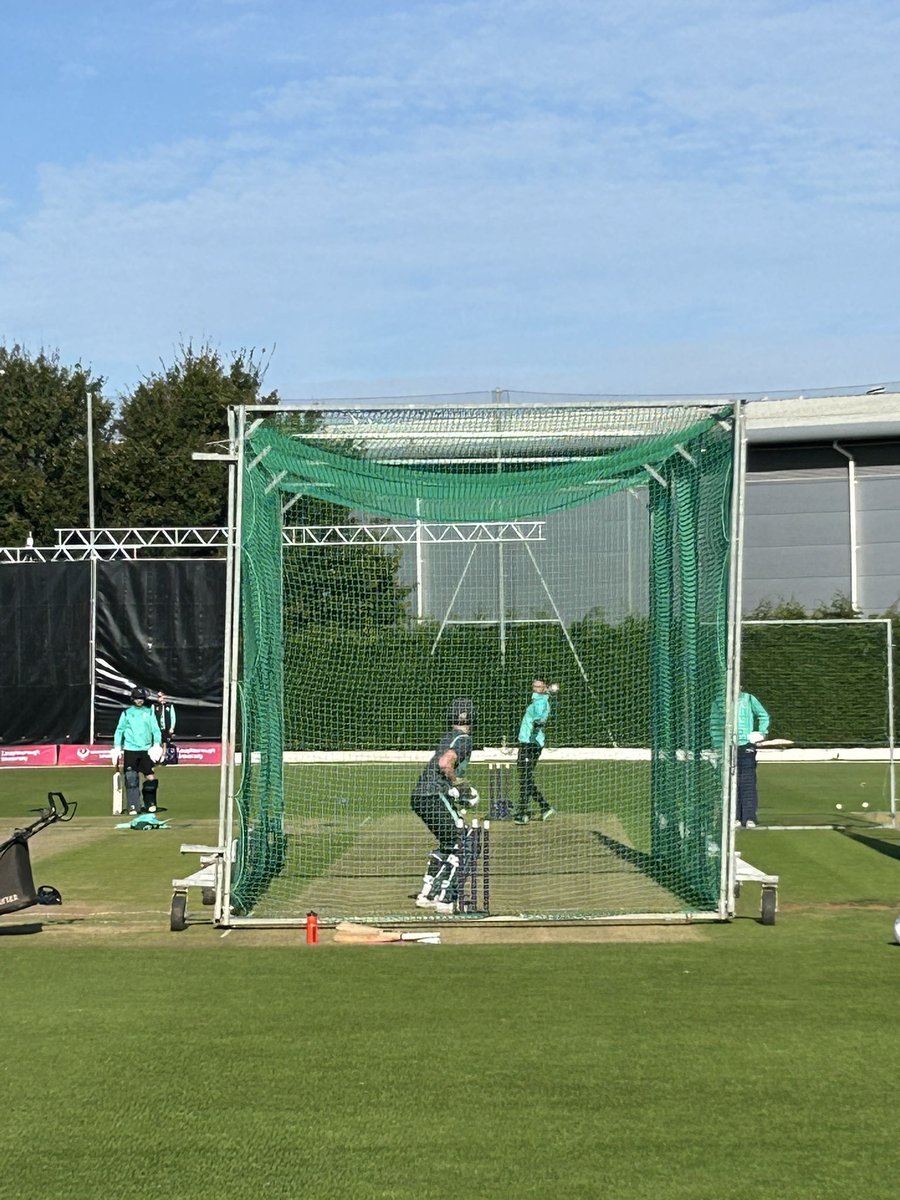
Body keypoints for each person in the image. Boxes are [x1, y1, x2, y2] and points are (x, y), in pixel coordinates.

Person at [411, 698, 480, 914]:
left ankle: (428, 894)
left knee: (450, 842)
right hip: (433, 795)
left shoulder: (449, 736)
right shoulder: (464, 739)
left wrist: (455, 792)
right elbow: (445, 763)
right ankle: (447, 898)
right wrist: (459, 785)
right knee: (467, 841)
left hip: (421, 797)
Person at [710, 684, 771, 828]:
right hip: (727, 747)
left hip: (746, 746)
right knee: (730, 783)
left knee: (747, 781)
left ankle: (749, 817)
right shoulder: (719, 701)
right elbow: (714, 723)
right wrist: (717, 745)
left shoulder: (749, 699)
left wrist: (761, 733)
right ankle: (734, 817)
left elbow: (763, 715)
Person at [513, 677, 559, 824]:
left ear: (544, 687)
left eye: (538, 686)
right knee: (525, 777)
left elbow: (540, 719)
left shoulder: (541, 702)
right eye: (534, 686)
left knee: (525, 777)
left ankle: (523, 813)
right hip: (527, 742)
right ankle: (543, 807)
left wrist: (537, 723)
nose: (535, 688)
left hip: (531, 744)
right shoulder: (537, 700)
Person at [112, 687, 163, 815]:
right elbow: (120, 730)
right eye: (137, 698)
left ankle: (150, 803)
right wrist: (117, 746)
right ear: (132, 699)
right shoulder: (127, 713)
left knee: (150, 777)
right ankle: (133, 806)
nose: (139, 701)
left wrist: (157, 744)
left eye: (141, 698)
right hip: (131, 749)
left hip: (146, 749)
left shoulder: (149, 712)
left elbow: (155, 729)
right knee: (131, 778)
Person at [153, 691, 177, 764]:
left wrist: (172, 727)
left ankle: (163, 757)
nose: (159, 698)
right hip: (156, 727)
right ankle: (155, 757)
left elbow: (173, 717)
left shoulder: (169, 706)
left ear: (164, 696)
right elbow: (152, 717)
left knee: (164, 742)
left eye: (160, 696)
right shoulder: (154, 706)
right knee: (156, 742)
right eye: (158, 696)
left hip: (166, 727)